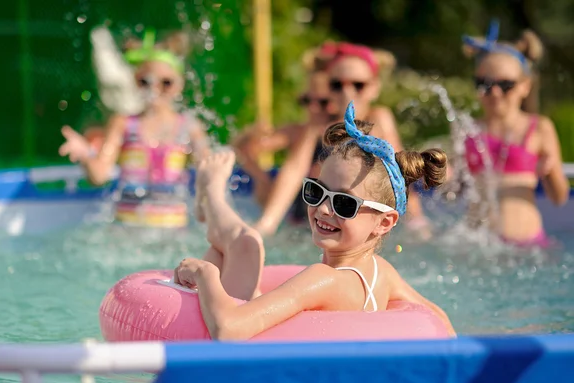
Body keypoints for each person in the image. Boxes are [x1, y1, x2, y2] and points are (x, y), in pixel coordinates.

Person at [177, 102, 455, 340]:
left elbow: (228, 331)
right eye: (316, 191)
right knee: (244, 246)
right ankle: (211, 202)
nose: (322, 209)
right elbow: (440, 320)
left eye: (344, 203)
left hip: (254, 361)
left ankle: (212, 195)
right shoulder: (381, 273)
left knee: (245, 243)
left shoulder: (322, 278)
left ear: (384, 222)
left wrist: (206, 273)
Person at [59, 29, 210, 228]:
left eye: (166, 83)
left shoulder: (189, 127)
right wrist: (86, 153)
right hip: (127, 233)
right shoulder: (123, 123)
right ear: (135, 81)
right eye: (145, 82)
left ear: (179, 85)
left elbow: (210, 173)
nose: (154, 89)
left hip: (172, 234)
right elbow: (100, 176)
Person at [462, 21, 569, 246]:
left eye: (506, 85)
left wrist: (549, 173)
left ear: (525, 86)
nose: (495, 93)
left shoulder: (539, 127)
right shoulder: (468, 128)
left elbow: (559, 198)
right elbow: (455, 188)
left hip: (526, 244)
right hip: (478, 247)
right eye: (484, 84)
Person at [321, 41, 433, 237]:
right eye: (337, 84)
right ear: (328, 88)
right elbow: (292, 172)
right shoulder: (318, 128)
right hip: (318, 216)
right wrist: (268, 223)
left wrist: (416, 220)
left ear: (374, 88)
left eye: (357, 85)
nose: (347, 92)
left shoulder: (378, 119)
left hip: (359, 219)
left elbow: (399, 171)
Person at [234, 44, 336, 234]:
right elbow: (242, 148)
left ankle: (268, 222)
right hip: (299, 222)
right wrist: (262, 179)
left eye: (322, 102)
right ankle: (268, 220)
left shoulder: (355, 134)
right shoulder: (299, 132)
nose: (313, 109)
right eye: (307, 101)